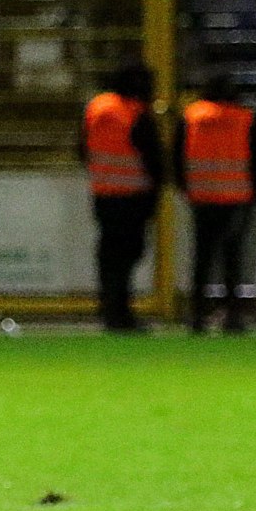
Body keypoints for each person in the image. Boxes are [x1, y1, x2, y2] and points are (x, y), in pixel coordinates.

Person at [175, 74, 256, 334]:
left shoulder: (192, 115)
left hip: (202, 198)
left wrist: (186, 188)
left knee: (202, 259)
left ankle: (196, 316)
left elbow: (178, 155)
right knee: (232, 260)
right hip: (236, 199)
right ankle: (232, 316)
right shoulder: (244, 118)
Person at [81, 63, 165, 333]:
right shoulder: (135, 114)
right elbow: (154, 160)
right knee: (127, 257)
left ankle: (109, 310)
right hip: (133, 197)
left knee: (108, 257)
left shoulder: (97, 108)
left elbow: (82, 149)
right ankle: (122, 314)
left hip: (104, 194)